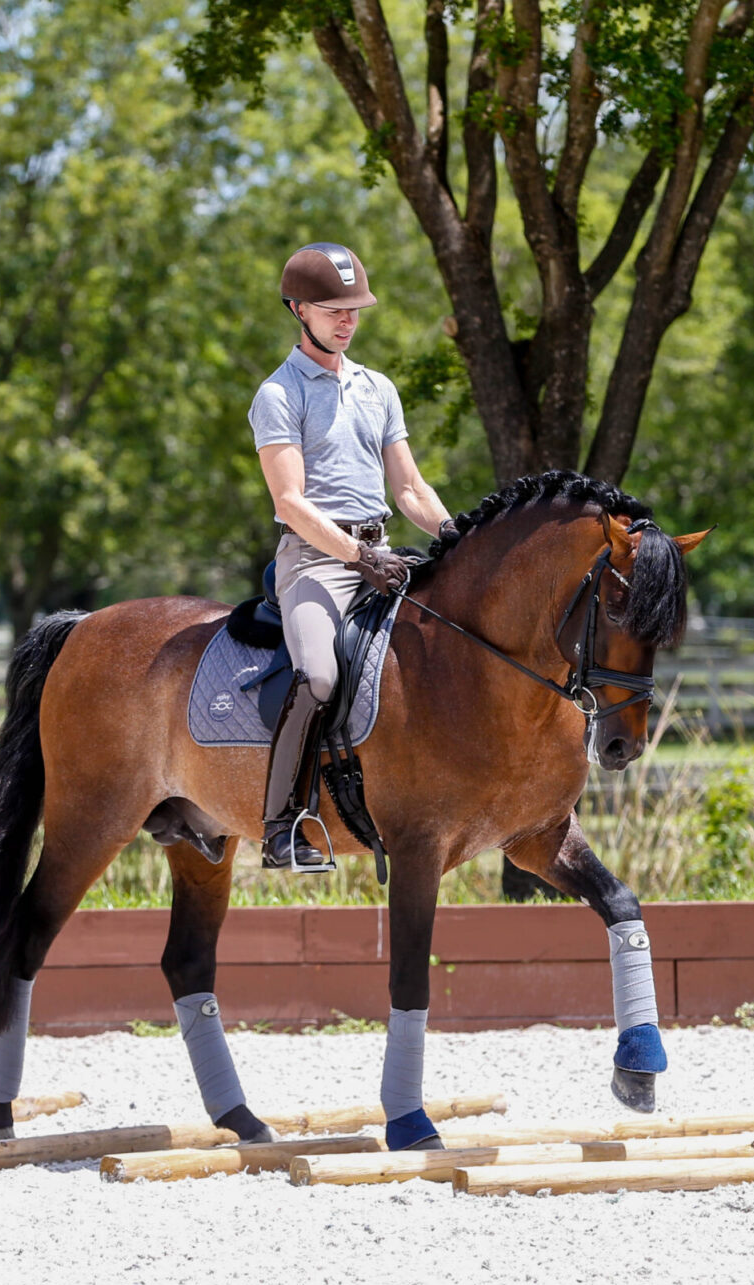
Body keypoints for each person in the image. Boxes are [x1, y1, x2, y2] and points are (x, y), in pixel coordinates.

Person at [250, 242, 454, 872]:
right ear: (297, 309)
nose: (347, 320)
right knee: (318, 676)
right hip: (315, 563)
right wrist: (359, 558)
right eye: (332, 309)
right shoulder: (278, 394)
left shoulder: (377, 388)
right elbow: (290, 502)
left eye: (354, 309)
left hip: (382, 551)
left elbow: (411, 489)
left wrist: (455, 535)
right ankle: (282, 823)